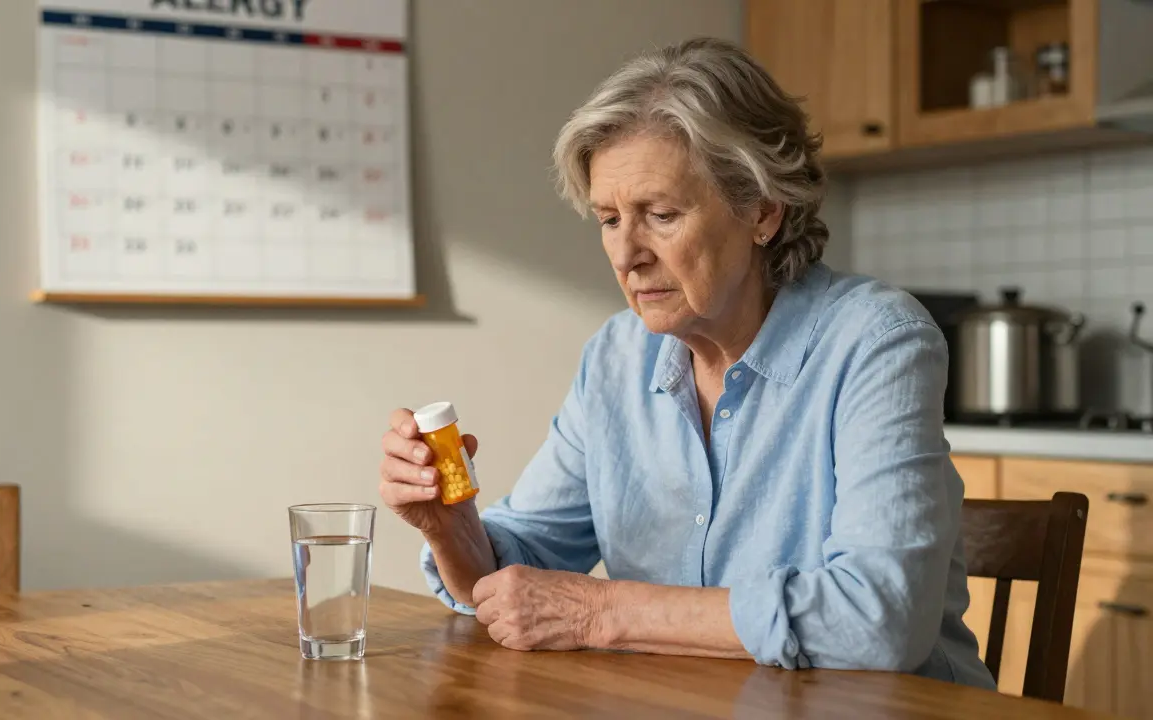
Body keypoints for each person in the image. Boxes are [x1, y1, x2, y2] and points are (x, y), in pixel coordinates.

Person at [378, 37, 996, 689]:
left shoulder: (875, 340)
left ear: (762, 209)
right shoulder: (616, 358)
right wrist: (452, 528)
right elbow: (509, 579)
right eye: (609, 219)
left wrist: (603, 612)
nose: (625, 254)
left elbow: (880, 621)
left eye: (661, 215)